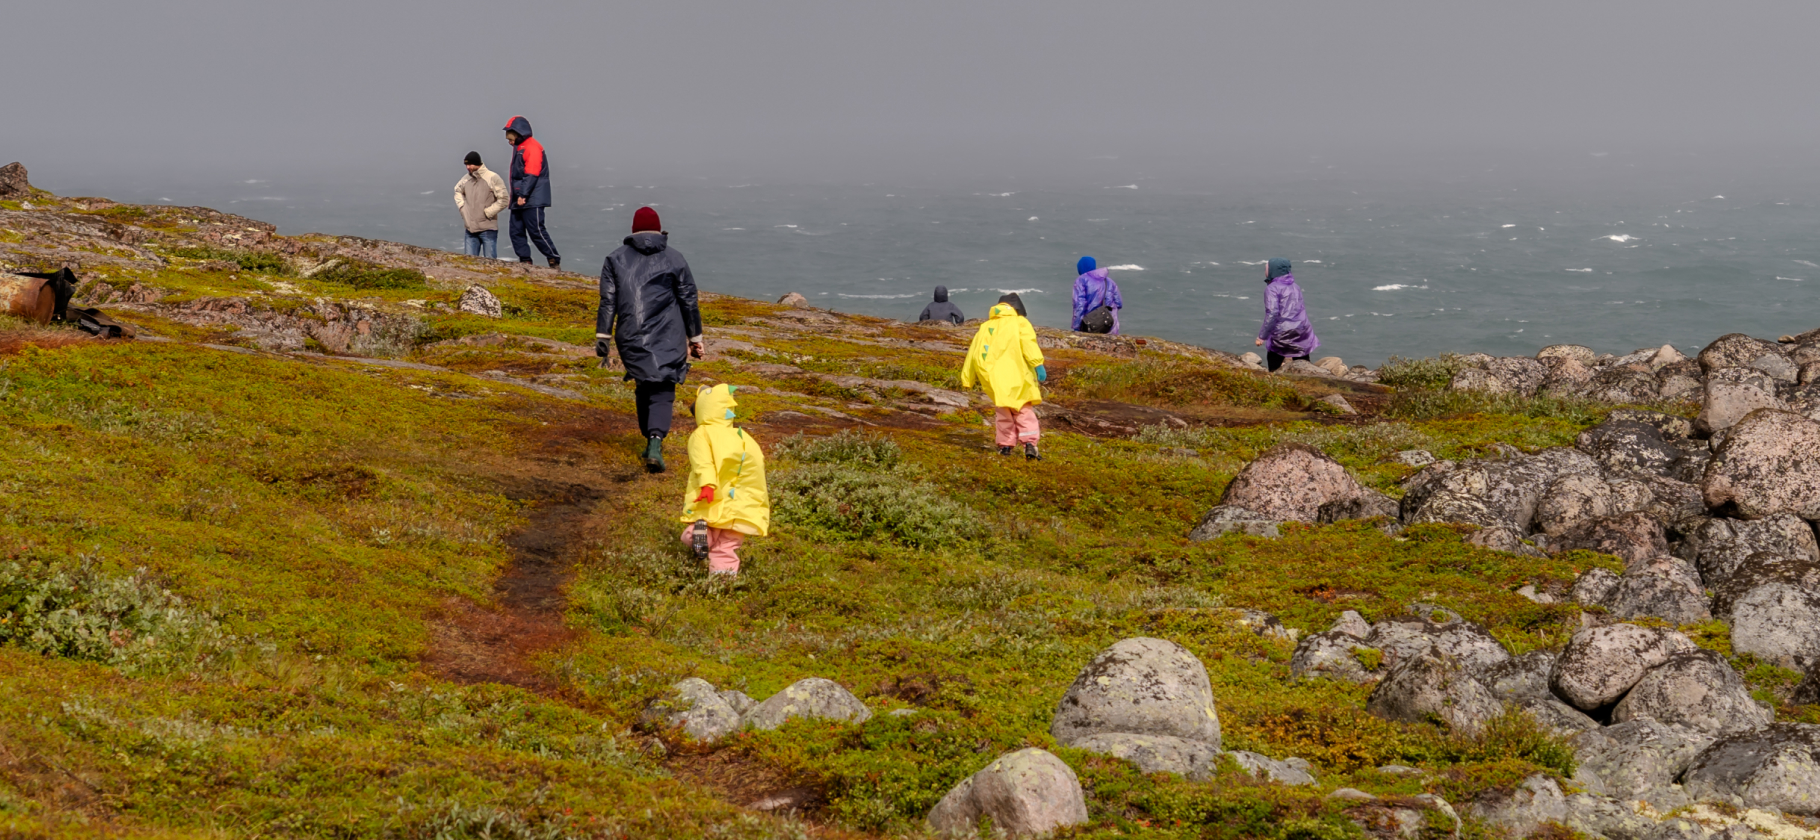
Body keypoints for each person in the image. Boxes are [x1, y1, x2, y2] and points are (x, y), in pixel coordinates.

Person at [597, 206, 704, 472]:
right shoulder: (675, 258)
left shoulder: (615, 259)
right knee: (663, 387)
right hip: (670, 333)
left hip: (630, 333)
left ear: (634, 231)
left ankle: (649, 441)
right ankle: (655, 442)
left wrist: (603, 335)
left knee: (645, 383)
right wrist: (695, 337)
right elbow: (689, 300)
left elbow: (608, 300)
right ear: (659, 230)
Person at [679, 383, 769, 576]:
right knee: (727, 546)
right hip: (740, 507)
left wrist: (707, 485)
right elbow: (756, 466)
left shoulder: (702, 433)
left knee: (701, 528)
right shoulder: (743, 436)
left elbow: (702, 462)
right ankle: (722, 583)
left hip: (713, 498)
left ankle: (698, 535)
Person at [961, 301, 1048, 460]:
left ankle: (1005, 446)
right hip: (1018, 375)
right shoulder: (1020, 322)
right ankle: (1029, 444)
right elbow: (1029, 344)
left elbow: (974, 351)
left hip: (995, 378)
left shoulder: (986, 326)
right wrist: (1038, 364)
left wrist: (968, 377)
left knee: (1003, 413)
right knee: (1023, 410)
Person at [502, 115, 560, 269]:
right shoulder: (519, 148)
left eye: (511, 138)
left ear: (518, 134)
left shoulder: (532, 147)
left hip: (531, 197)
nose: (509, 142)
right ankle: (525, 260)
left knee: (536, 230)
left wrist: (523, 195)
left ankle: (553, 258)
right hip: (520, 196)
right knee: (515, 231)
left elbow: (532, 174)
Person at [1255, 257, 1320, 372]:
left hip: (1282, 333)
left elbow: (1272, 313)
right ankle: (1307, 381)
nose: (1265, 270)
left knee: (1274, 360)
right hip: (1302, 330)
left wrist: (1262, 336)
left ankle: (1274, 382)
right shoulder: (1295, 286)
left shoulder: (1272, 289)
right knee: (1303, 361)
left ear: (1273, 271)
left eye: (1267, 268)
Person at [453, 151, 508, 259]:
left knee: (491, 263)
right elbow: (457, 191)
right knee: (469, 264)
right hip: (470, 229)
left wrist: (488, 212)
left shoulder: (492, 177)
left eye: (470, 164)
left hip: (488, 229)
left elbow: (504, 199)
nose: (468, 167)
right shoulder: (466, 179)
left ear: (477, 163)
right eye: (466, 165)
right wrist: (463, 208)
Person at [1070, 256, 1123, 334]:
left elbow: (1079, 305)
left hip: (1090, 325)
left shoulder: (1081, 281)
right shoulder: (1109, 281)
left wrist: (1077, 327)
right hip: (1109, 326)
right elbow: (1119, 304)